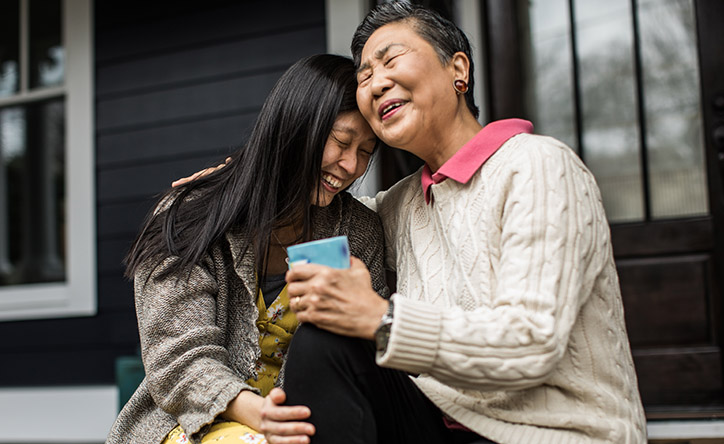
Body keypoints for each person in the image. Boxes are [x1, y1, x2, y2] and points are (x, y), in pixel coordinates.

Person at [265, 3, 648, 444]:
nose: (376, 83)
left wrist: (381, 319)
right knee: (323, 341)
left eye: (390, 60)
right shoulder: (402, 203)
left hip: (554, 432)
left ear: (458, 70)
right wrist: (226, 183)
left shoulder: (538, 166)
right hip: (438, 425)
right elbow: (314, 196)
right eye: (364, 76)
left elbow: (532, 342)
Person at [105, 54, 388, 444]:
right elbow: (178, 359)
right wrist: (262, 415)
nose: (350, 165)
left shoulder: (356, 232)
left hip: (309, 423)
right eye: (340, 142)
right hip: (192, 423)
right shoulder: (191, 217)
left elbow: (362, 355)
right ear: (295, 127)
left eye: (366, 151)